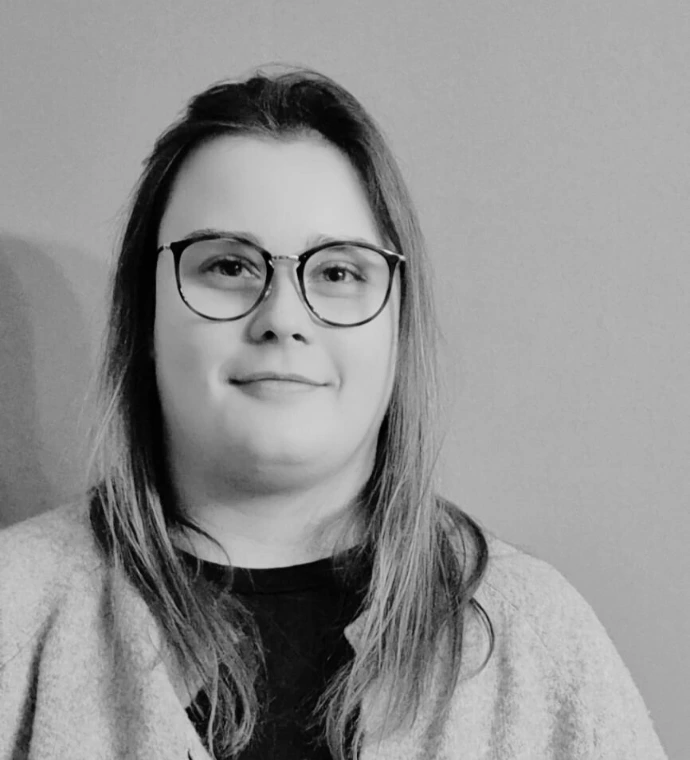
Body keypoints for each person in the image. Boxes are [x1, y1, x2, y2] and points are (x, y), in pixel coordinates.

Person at [0, 66, 667, 760]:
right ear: (146, 314)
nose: (283, 317)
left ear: (398, 324)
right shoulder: (13, 615)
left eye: (338, 272)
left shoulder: (542, 645)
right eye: (228, 265)